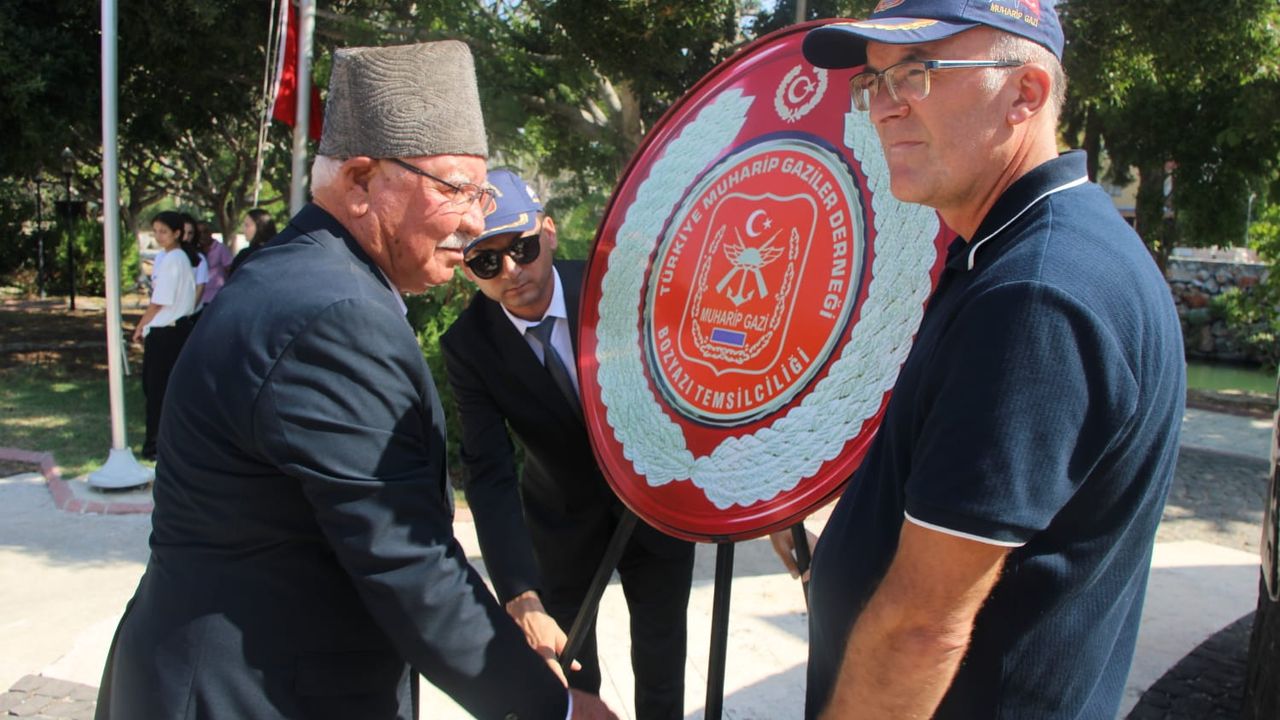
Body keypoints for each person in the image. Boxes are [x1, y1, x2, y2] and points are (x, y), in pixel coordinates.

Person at [96, 41, 615, 720]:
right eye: (454, 190)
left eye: (482, 192)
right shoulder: (336, 315)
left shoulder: (304, 271)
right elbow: (406, 563)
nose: (474, 222)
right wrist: (557, 709)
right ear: (363, 181)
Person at [788, 2, 1186, 717]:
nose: (883, 108)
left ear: (1025, 93)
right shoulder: (1019, 248)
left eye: (916, 72)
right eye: (873, 82)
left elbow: (922, 629)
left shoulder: (1036, 294)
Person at [442, 171, 695, 719]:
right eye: (486, 261)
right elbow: (488, 471)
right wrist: (519, 592)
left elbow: (687, 381)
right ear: (466, 271)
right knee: (573, 675)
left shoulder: (615, 289)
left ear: (549, 232)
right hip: (559, 525)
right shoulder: (468, 346)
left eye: (522, 248)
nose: (512, 272)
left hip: (652, 508)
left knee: (662, 671)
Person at [131, 210, 199, 461]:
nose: (159, 236)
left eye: (164, 231)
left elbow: (159, 302)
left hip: (167, 332)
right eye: (156, 231)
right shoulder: (177, 258)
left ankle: (155, 445)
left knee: (157, 391)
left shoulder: (174, 259)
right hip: (174, 330)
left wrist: (140, 326)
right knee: (164, 390)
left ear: (177, 233)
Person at [228, 207, 277, 277]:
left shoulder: (246, 255)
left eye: (247, 225)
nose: (243, 229)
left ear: (260, 227)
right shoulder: (279, 251)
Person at [195, 220, 232, 306]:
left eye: (205, 231)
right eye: (199, 233)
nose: (202, 235)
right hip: (199, 298)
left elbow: (229, 270)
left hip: (216, 296)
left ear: (210, 232)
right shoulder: (195, 250)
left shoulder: (220, 248)